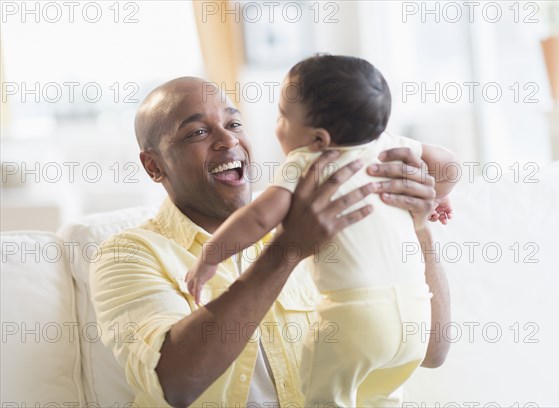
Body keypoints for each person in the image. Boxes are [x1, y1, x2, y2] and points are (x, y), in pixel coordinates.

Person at [89, 76, 451, 408]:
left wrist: (417, 226)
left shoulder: (329, 210)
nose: (228, 140)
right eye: (198, 132)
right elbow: (177, 383)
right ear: (154, 166)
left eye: (233, 124)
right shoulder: (127, 254)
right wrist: (288, 249)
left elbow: (433, 352)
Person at [184, 55, 457, 407]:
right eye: (198, 131)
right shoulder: (388, 145)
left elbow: (256, 219)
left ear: (318, 138)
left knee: (324, 393)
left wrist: (210, 256)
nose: (276, 126)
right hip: (414, 312)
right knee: (382, 396)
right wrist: (441, 195)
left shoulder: (307, 162)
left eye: (282, 116)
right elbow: (448, 162)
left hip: (355, 315)